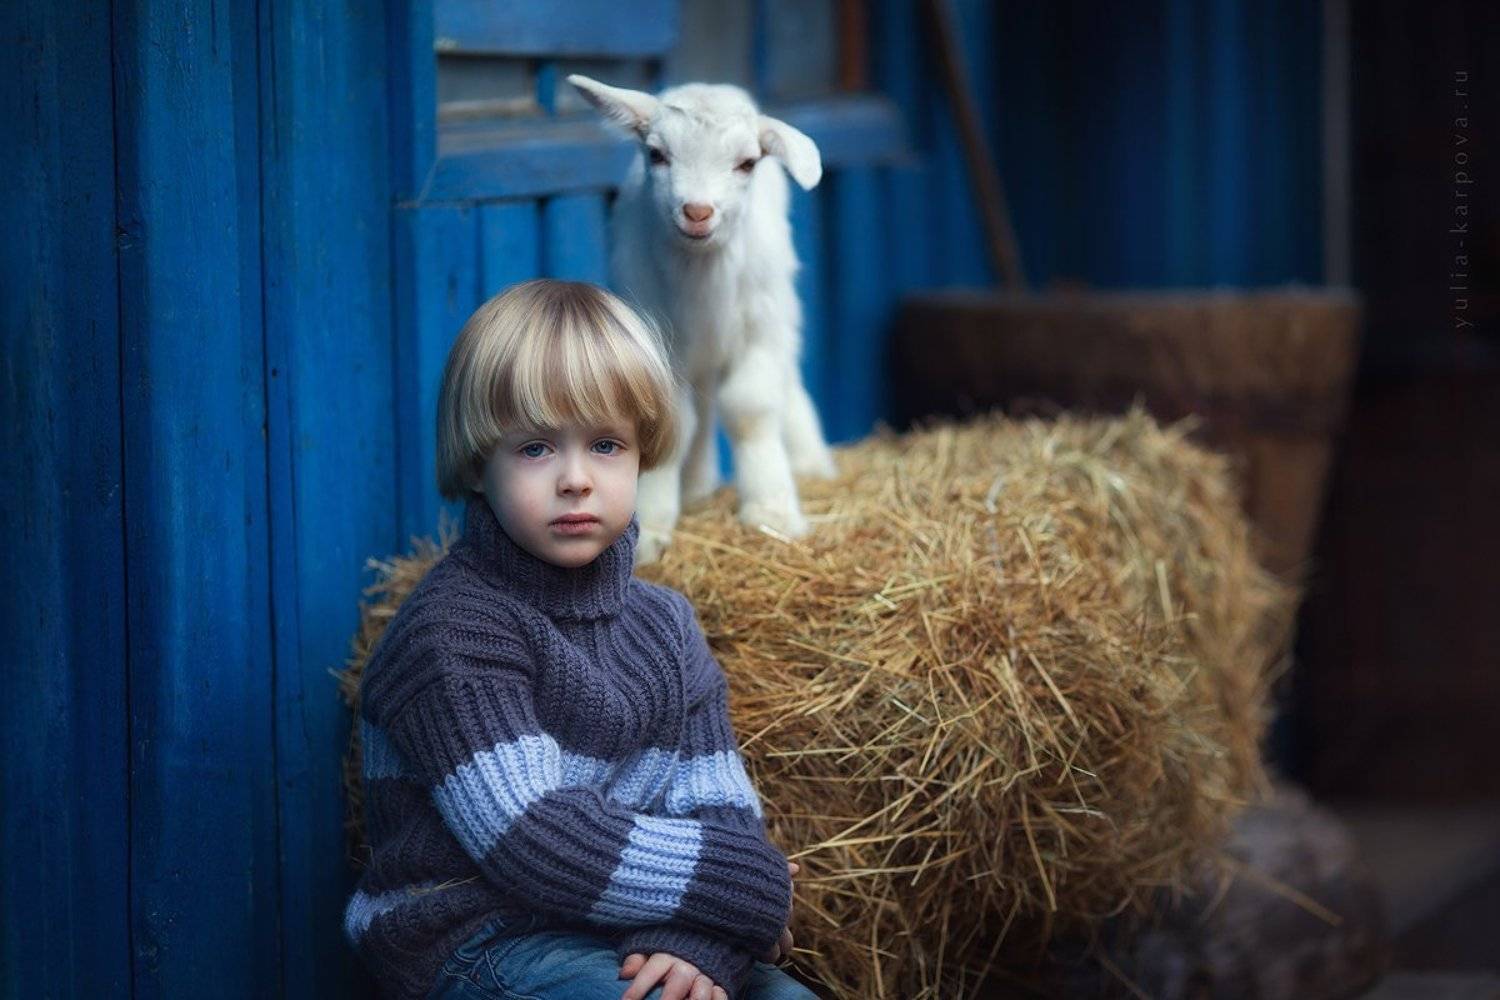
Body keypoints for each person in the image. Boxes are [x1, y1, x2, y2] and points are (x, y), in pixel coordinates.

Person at [345, 280, 817, 1000]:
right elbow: (534, 840)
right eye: (535, 448)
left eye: (605, 444)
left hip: (623, 926)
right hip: (476, 940)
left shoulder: (664, 627)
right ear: (478, 464)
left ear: (643, 453)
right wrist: (743, 885)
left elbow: (719, 805)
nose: (576, 480)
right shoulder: (454, 632)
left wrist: (701, 940)